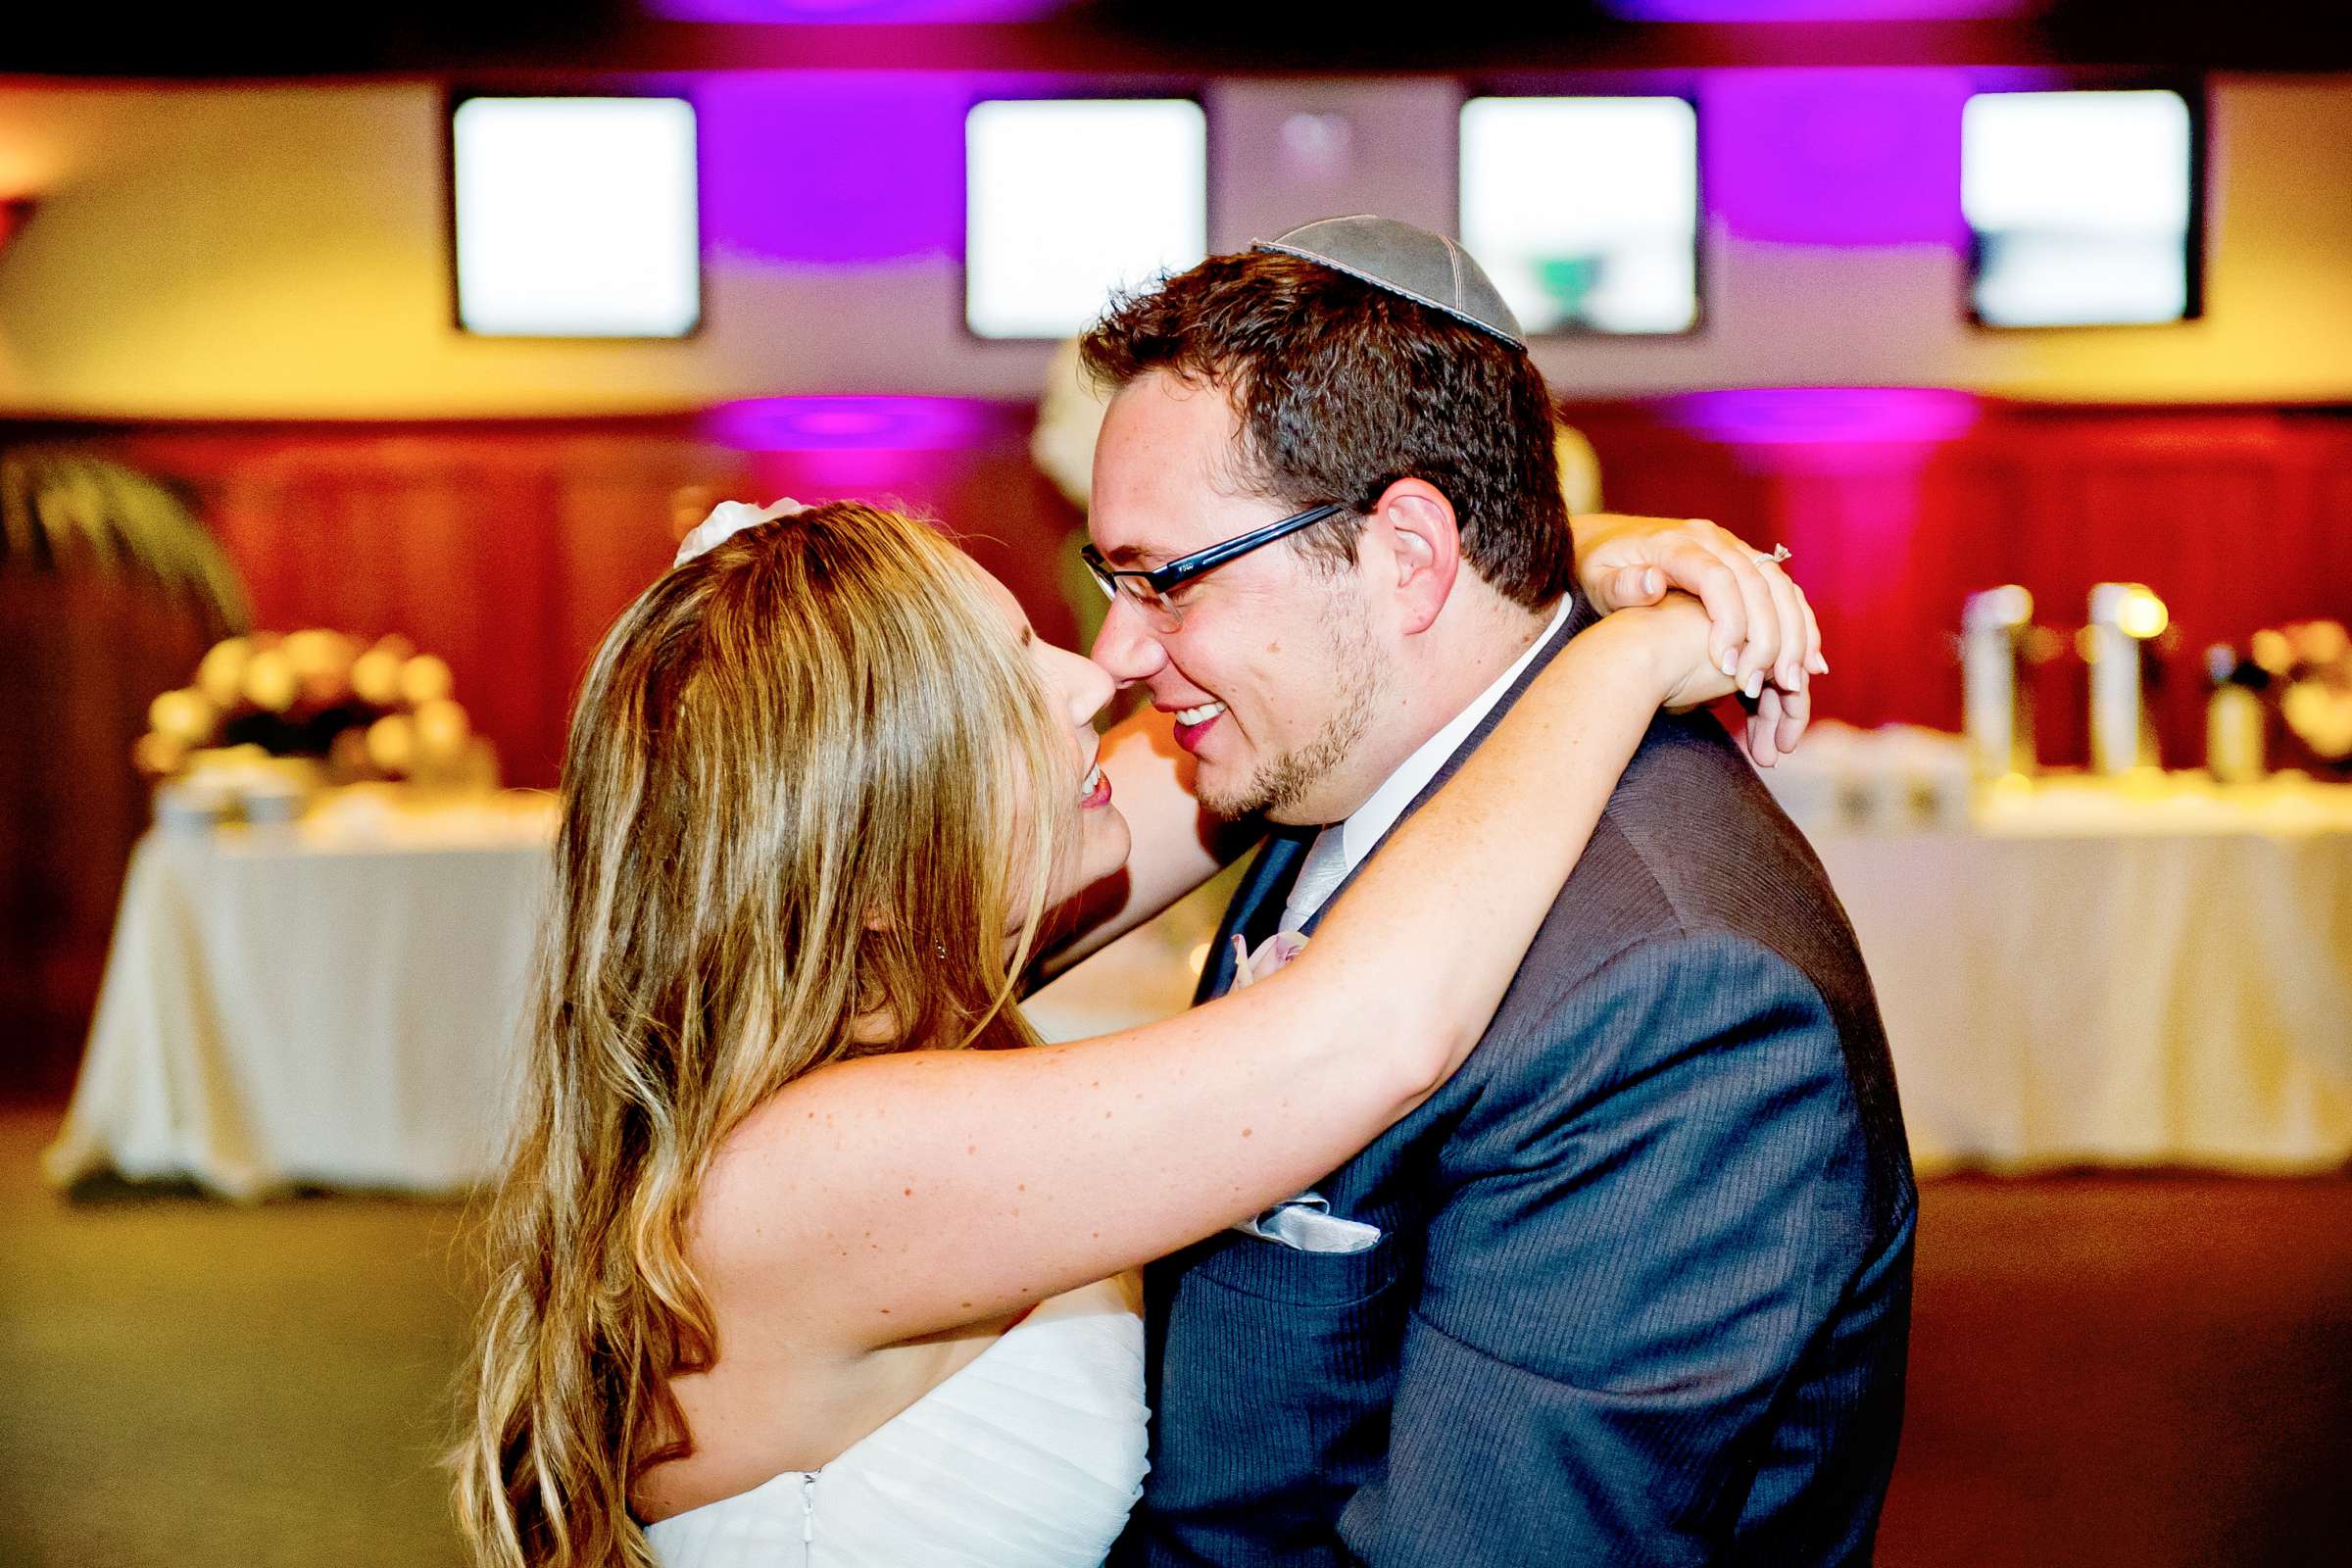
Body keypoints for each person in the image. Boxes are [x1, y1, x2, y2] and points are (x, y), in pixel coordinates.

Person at [450, 493, 1810, 1567]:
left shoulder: (872, 988)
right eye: (1004, 681)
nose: (1088, 679)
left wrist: (1557, 569)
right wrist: (1628, 657)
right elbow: (1372, 1031)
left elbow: (1288, 730)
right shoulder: (806, 1170)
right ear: (876, 860)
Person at [1071, 218, 1916, 1566]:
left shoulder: (1681, 1004)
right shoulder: (1333, 747)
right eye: (1108, 579)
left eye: (1164, 581)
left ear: (1408, 558)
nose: (1119, 652)